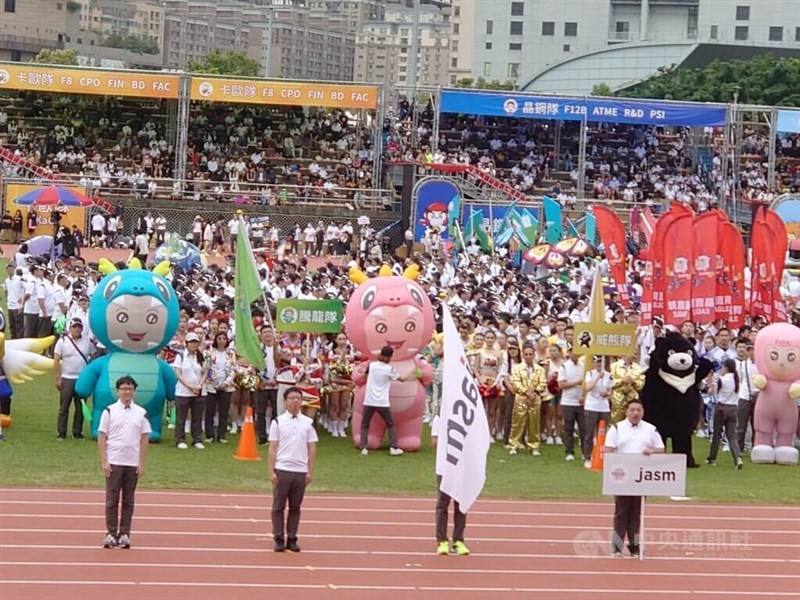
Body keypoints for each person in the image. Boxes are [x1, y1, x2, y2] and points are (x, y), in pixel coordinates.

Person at [604, 398, 665, 558]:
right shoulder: (617, 428)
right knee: (621, 512)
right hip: (621, 476)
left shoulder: (651, 429)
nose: (635, 413)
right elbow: (608, 450)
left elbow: (661, 450)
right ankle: (617, 547)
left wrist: (652, 451)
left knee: (637, 513)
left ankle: (635, 546)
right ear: (626, 411)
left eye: (638, 410)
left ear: (643, 412)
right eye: (632, 410)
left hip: (641, 477)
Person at [97, 376, 151, 549]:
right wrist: (104, 461)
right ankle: (111, 533)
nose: (127, 392)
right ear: (118, 390)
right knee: (112, 499)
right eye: (123, 388)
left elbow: (144, 438)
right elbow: (102, 436)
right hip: (114, 461)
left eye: (130, 388)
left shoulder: (141, 413)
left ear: (134, 391)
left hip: (131, 462)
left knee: (128, 500)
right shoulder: (110, 411)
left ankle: (125, 533)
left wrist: (141, 463)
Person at [268, 386, 318, 553]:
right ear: (285, 401)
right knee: (278, 506)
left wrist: (310, 471)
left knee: (295, 507)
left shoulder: (308, 423)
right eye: (292, 398)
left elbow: (311, 448)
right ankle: (279, 538)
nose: (295, 401)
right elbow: (272, 447)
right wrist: (271, 471)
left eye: (298, 398)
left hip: (300, 470)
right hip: (283, 468)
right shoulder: (278, 421)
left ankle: (292, 537)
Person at [359, 345, 417, 456]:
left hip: (369, 400)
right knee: (391, 424)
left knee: (365, 424)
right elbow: (402, 379)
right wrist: (413, 371)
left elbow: (365, 376)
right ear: (390, 357)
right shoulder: (389, 369)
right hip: (382, 402)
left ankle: (364, 448)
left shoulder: (372, 365)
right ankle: (393, 447)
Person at [431, 410, 469, 556]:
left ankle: (459, 540)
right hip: (444, 467)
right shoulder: (439, 419)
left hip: (461, 467)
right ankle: (442, 540)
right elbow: (434, 442)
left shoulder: (464, 420)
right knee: (443, 503)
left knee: (460, 504)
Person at [54, 318, 95, 440]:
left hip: (81, 379)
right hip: (67, 378)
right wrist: (57, 378)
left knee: (80, 407)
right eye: (74, 327)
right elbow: (56, 360)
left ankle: (77, 432)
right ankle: (61, 432)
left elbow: (93, 356)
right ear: (70, 328)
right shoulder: (62, 341)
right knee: (64, 407)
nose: (77, 329)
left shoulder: (87, 341)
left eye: (79, 327)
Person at [507, 342, 547, 456]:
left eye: (530, 354)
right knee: (517, 422)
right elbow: (515, 382)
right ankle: (514, 445)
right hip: (521, 398)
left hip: (535, 398)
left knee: (534, 423)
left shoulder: (540, 369)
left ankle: (534, 446)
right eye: (526, 354)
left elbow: (543, 383)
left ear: (534, 355)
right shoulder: (517, 368)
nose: (528, 356)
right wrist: (526, 392)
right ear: (523, 355)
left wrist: (534, 392)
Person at [706, 358, 744, 469]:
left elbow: (712, 390)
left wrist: (711, 382)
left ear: (726, 367)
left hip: (722, 407)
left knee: (717, 434)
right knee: (732, 435)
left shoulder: (722, 379)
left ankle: (712, 458)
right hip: (733, 407)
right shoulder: (737, 379)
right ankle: (737, 458)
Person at [172, 332, 206, 449]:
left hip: (199, 391)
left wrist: (199, 385)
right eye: (191, 342)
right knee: (181, 417)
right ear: (186, 343)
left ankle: (197, 439)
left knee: (197, 417)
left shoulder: (201, 356)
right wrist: (190, 387)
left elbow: (205, 372)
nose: (193, 344)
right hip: (183, 391)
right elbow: (178, 374)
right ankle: (180, 439)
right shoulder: (180, 356)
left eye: (195, 342)